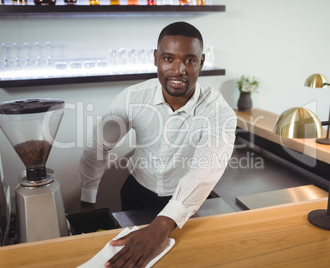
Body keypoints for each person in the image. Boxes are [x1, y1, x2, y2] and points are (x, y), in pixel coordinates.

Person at [79, 21, 236, 268]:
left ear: (201, 63)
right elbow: (97, 147)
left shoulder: (219, 111)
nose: (178, 69)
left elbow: (205, 172)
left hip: (188, 204)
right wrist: (87, 199)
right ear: (155, 58)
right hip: (136, 194)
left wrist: (163, 224)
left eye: (189, 60)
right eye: (168, 58)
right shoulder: (132, 98)